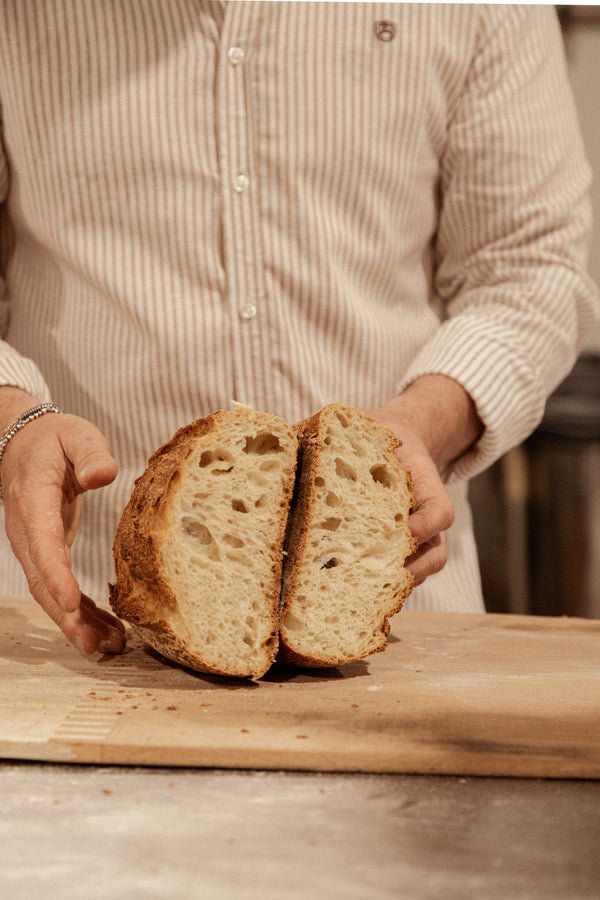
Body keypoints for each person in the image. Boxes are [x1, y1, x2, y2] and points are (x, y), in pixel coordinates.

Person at [0, 2, 597, 657]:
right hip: (73, 622)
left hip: (401, 627)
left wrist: (424, 422)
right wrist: (12, 418)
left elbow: (530, 267)